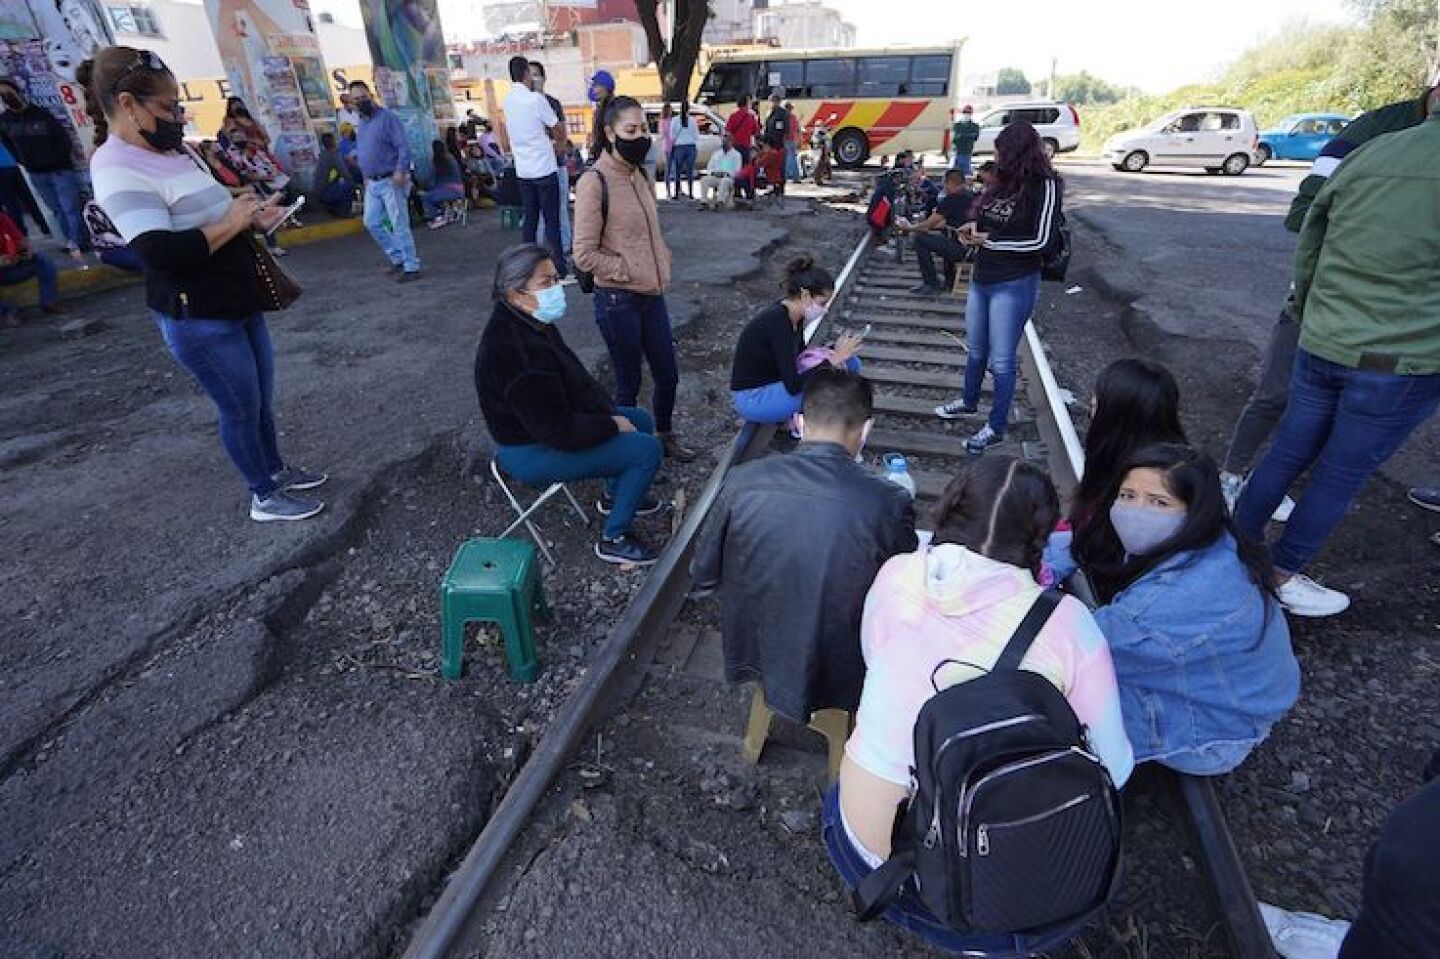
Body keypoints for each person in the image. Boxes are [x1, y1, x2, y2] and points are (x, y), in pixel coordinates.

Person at [830, 456, 1133, 955]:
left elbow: (872, 657)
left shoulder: (896, 573)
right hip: (974, 896)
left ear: (950, 507)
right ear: (1042, 537)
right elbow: (1114, 768)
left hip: (858, 849)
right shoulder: (1068, 623)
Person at [85, 47, 326, 522]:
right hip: (198, 314)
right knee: (239, 406)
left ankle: (275, 470)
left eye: (178, 107)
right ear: (128, 103)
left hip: (236, 296)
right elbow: (159, 252)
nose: (176, 117)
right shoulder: (114, 165)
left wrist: (255, 214)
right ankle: (264, 495)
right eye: (167, 108)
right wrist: (234, 221)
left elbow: (217, 209)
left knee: (260, 400)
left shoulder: (176, 150)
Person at [1235, 101, 1440, 619]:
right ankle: (1280, 574)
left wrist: (1309, 312)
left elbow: (1310, 238)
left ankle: (1230, 551)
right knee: (1340, 474)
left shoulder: (1371, 152)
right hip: (1400, 358)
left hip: (1322, 339)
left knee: (1287, 450)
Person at [1050, 444, 1299, 774]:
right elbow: (1083, 545)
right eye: (1127, 495)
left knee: (1055, 702)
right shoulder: (1209, 540)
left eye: (1159, 502)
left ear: (1193, 511)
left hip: (1219, 732)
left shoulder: (1163, 605)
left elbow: (1071, 650)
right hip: (1235, 698)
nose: (1136, 511)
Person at [693, 367, 918, 724]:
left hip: (757, 647)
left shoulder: (742, 481)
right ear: (866, 430)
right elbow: (903, 594)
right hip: (841, 666)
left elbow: (702, 573)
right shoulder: (888, 502)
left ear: (799, 421)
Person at [476, 244, 666, 566]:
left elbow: (578, 382)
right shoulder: (517, 351)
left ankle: (612, 496)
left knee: (641, 422)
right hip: (530, 450)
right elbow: (558, 432)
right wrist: (609, 424)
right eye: (545, 283)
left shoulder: (529, 320)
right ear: (514, 293)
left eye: (555, 279)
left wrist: (609, 414)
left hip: (549, 427)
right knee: (646, 450)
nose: (557, 289)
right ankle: (614, 538)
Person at [573, 96, 697, 464]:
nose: (641, 136)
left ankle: (663, 437)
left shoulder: (641, 173)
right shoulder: (594, 182)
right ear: (610, 133)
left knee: (668, 375)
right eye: (632, 130)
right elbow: (583, 254)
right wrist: (629, 271)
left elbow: (649, 233)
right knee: (628, 383)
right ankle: (627, 455)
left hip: (651, 296)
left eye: (644, 128)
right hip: (618, 301)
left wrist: (661, 260)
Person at [934, 121, 1064, 455]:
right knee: (976, 349)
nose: (996, 157)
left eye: (1001, 152)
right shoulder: (1001, 183)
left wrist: (991, 242)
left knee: (1003, 360)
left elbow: (1042, 241)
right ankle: (968, 400)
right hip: (983, 277)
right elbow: (991, 224)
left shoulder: (1045, 186)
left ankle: (995, 427)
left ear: (1019, 153)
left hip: (1015, 283)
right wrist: (973, 229)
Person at [729, 255, 863, 424]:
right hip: (753, 398)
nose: (825, 310)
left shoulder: (795, 316)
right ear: (805, 295)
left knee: (851, 363)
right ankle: (824, 428)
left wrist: (834, 348)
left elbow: (799, 356)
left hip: (777, 383)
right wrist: (833, 360)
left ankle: (832, 420)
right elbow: (793, 385)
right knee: (828, 385)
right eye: (822, 303)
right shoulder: (777, 322)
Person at [1070, 357, 1187, 528]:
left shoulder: (1136, 483)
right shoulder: (1183, 464)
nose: (1091, 416)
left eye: (1096, 408)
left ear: (1117, 419)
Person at [0, 77, 87, 255]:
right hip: (36, 172)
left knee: (70, 207)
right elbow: (8, 143)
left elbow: (62, 138)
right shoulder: (5, 120)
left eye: (8, 93)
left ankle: (78, 242)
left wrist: (57, 158)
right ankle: (70, 241)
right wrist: (22, 160)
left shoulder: (41, 114)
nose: (6, 97)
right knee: (56, 210)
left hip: (59, 169)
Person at [349, 79, 421, 282]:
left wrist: (400, 171)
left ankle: (411, 265)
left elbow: (403, 147)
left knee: (399, 224)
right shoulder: (361, 123)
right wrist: (364, 176)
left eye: (363, 97)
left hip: (391, 179)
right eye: (356, 99)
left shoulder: (387, 118)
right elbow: (365, 150)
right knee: (371, 222)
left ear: (371, 95)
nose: (361, 101)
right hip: (372, 182)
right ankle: (398, 257)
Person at [504, 57, 567, 279]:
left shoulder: (508, 101)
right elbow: (557, 127)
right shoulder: (536, 100)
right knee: (552, 223)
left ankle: (527, 268)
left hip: (524, 171)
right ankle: (559, 267)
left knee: (529, 221)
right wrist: (559, 143)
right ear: (526, 74)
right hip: (544, 168)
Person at [899, 168, 973, 295]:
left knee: (920, 239)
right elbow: (944, 223)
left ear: (951, 183)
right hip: (975, 248)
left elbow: (927, 225)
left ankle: (931, 283)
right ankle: (949, 283)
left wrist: (909, 227)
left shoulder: (951, 199)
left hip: (963, 250)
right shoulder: (971, 195)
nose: (944, 187)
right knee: (944, 238)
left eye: (945, 184)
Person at [528, 60, 572, 258]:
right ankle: (539, 253)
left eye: (537, 74)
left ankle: (565, 248)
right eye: (530, 75)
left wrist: (552, 154)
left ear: (544, 78)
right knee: (538, 216)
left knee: (560, 210)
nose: (533, 79)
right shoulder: (523, 105)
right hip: (534, 168)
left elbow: (562, 136)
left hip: (556, 165)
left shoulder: (552, 103)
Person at [0, 209, 62, 324]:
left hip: (12, 266)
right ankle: (7, 312)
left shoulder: (2, 218)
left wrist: (25, 252)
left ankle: (48, 302)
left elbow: (19, 240)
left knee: (42, 259)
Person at [422, 138, 465, 228]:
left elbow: (431, 180)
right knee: (434, 195)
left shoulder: (435, 162)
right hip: (459, 189)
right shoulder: (451, 158)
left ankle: (437, 217)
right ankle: (446, 214)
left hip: (447, 190)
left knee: (426, 197)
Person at [312, 131, 357, 218]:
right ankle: (344, 211)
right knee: (350, 185)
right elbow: (345, 174)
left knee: (342, 184)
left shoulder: (324, 154)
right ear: (333, 142)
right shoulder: (333, 155)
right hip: (325, 192)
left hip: (320, 191)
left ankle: (334, 208)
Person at [700, 132, 742, 209]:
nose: (725, 143)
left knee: (724, 181)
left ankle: (720, 202)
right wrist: (714, 173)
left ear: (731, 142)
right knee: (704, 180)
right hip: (716, 176)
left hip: (728, 178)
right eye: (724, 141)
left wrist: (726, 174)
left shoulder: (736, 155)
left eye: (727, 141)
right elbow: (710, 167)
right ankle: (704, 202)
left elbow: (737, 170)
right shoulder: (716, 154)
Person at [668, 101, 698, 200]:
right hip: (690, 146)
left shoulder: (675, 120)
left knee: (678, 171)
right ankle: (690, 193)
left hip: (679, 147)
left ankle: (676, 193)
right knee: (690, 171)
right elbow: (696, 135)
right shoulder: (692, 120)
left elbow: (672, 135)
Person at [587, 69, 616, 161]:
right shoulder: (601, 107)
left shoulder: (612, 106)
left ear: (604, 86)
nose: (593, 89)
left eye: (595, 85)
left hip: (610, 156)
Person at [725, 93, 759, 164]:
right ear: (747, 104)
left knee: (734, 166)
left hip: (734, 145)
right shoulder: (751, 117)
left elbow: (728, 130)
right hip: (746, 146)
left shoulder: (733, 116)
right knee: (745, 167)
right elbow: (755, 131)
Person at [950, 104, 980, 175]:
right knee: (956, 170)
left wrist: (963, 136)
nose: (967, 114)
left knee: (966, 169)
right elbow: (954, 138)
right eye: (965, 112)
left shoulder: (974, 126)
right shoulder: (957, 125)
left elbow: (975, 137)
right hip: (958, 151)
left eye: (969, 113)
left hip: (967, 150)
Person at [659, 102, 676, 199]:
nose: (671, 111)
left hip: (675, 145)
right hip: (668, 146)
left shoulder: (673, 120)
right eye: (670, 109)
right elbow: (662, 133)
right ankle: (668, 191)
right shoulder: (663, 121)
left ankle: (677, 189)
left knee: (677, 168)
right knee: (668, 168)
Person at [783, 100, 801, 182]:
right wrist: (799, 139)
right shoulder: (794, 117)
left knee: (787, 158)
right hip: (793, 139)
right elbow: (798, 129)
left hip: (786, 139)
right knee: (793, 158)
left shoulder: (784, 117)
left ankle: (786, 176)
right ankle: (796, 177)